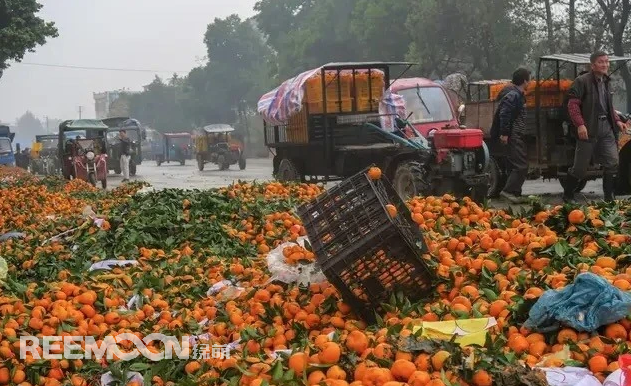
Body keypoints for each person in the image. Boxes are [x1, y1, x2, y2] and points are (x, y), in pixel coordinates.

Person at [563, 51, 630, 203]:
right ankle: (568, 195)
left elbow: (608, 106)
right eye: (601, 62)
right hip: (589, 128)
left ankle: (609, 197)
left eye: (607, 61)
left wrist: (617, 120)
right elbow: (572, 105)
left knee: (612, 162)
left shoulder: (606, 81)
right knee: (580, 168)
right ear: (593, 65)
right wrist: (580, 124)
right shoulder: (582, 81)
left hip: (606, 128)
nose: (605, 64)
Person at [490, 68, 531, 203]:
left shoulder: (516, 94)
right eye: (529, 78)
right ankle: (508, 191)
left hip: (516, 134)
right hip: (513, 134)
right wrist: (505, 133)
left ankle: (515, 192)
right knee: (521, 165)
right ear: (525, 80)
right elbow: (505, 114)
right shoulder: (513, 95)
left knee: (514, 164)